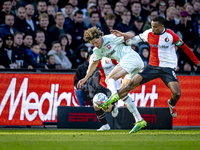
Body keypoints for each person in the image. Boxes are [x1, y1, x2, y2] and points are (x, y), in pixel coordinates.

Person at [101, 16, 200, 120]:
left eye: (155, 27)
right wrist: (122, 36)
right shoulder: (148, 33)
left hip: (167, 68)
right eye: (152, 26)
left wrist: (196, 61)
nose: (153, 29)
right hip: (152, 67)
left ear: (162, 26)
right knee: (130, 84)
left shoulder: (171, 35)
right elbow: (133, 40)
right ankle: (110, 102)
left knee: (177, 93)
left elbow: (185, 47)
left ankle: (171, 103)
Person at [77, 26, 147, 134]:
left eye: (96, 42)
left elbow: (132, 35)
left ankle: (113, 97)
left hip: (131, 58)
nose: (96, 45)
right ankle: (139, 120)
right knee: (123, 94)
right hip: (135, 64)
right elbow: (93, 63)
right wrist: (86, 78)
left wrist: (122, 34)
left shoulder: (111, 38)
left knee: (109, 78)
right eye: (93, 43)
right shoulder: (97, 50)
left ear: (100, 36)